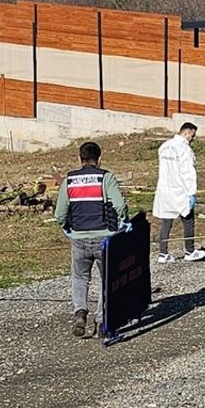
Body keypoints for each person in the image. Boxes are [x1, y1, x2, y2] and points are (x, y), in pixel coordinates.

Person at [54, 141, 128, 337]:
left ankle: (80, 311)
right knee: (107, 279)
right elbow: (120, 205)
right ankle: (102, 321)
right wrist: (124, 222)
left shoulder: (69, 180)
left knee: (80, 277)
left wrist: (66, 228)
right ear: (99, 159)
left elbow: (60, 213)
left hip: (78, 238)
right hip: (104, 238)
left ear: (79, 159)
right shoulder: (106, 177)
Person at [153, 122, 205, 263]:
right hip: (180, 189)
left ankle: (163, 254)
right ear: (187, 132)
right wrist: (191, 192)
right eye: (192, 136)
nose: (193, 139)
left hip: (165, 189)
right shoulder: (184, 149)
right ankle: (190, 251)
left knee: (166, 221)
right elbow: (188, 172)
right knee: (188, 220)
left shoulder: (164, 146)